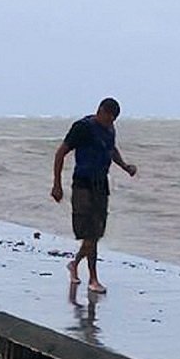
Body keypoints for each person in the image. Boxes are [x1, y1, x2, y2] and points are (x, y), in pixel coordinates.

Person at [50, 97, 137, 293]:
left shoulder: (110, 129)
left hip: (101, 186)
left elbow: (111, 150)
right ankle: (93, 278)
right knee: (90, 235)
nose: (110, 122)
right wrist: (57, 185)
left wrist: (125, 166)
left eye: (114, 120)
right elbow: (60, 153)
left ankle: (74, 264)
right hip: (82, 185)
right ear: (101, 111)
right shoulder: (83, 127)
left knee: (96, 235)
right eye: (109, 118)